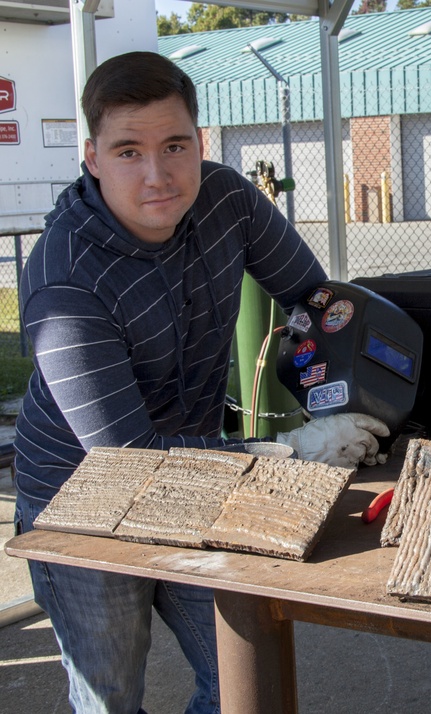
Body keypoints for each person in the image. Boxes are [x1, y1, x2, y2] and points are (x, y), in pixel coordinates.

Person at [12, 51, 387, 713]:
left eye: (174, 145)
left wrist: (351, 391)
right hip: (81, 501)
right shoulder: (64, 277)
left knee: (240, 678)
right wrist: (292, 453)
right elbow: (128, 463)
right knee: (111, 699)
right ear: (92, 156)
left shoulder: (228, 201)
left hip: (200, 477)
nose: (157, 175)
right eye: (128, 150)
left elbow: (317, 302)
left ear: (200, 142)